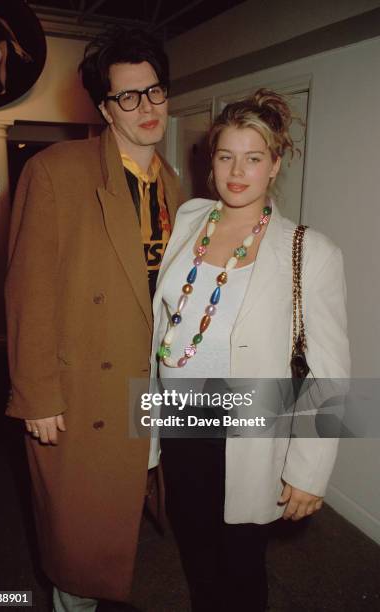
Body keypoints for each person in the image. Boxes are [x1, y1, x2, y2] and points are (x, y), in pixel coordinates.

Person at [149, 89, 350, 611]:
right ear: (211, 161)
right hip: (180, 421)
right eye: (226, 156)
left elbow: (329, 371)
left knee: (240, 563)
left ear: (275, 164)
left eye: (254, 158)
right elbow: (161, 332)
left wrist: (308, 469)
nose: (237, 171)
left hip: (248, 430)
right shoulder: (191, 218)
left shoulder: (309, 251)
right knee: (194, 550)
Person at [5, 27, 182, 612]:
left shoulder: (174, 186)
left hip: (150, 381)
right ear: (106, 109)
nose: (146, 107)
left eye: (154, 91)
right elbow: (29, 291)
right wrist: (36, 394)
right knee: (79, 541)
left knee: (128, 500)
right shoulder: (59, 171)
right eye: (128, 97)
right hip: (83, 387)